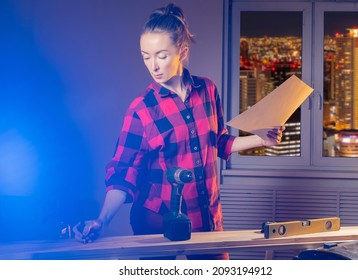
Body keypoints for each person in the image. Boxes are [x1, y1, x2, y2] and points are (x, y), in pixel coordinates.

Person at [73, 3, 284, 260]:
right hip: (157, 222)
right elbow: (123, 173)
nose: (153, 65)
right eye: (145, 56)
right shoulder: (141, 109)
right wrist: (101, 221)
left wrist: (261, 139)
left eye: (161, 55)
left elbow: (217, 142)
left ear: (182, 52)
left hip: (205, 215)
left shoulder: (207, 90)